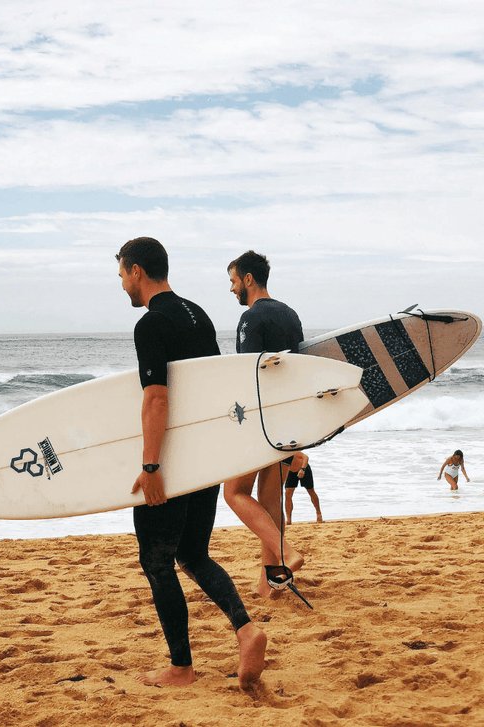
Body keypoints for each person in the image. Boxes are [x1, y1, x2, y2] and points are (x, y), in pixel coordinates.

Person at [116, 237, 267, 689]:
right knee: (193, 553)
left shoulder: (150, 324)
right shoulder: (197, 313)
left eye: (122, 274)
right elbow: (215, 387)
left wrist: (151, 466)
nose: (122, 283)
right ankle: (246, 630)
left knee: (157, 561)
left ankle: (181, 668)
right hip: (205, 456)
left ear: (138, 271)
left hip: (173, 463)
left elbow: (157, 396)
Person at [223, 250, 306, 598]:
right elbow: (300, 370)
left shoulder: (250, 318)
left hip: (259, 421)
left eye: (233, 281)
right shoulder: (290, 315)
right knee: (269, 503)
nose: (231, 289)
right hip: (286, 418)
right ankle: (270, 585)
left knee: (234, 493)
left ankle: (286, 555)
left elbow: (248, 373)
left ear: (248, 280)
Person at [284, 455, 323, 524]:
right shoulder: (277, 455)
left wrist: (302, 469)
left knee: (310, 491)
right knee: (287, 494)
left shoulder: (290, 450)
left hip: (303, 469)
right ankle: (289, 519)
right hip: (290, 472)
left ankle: (318, 513)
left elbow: (306, 457)